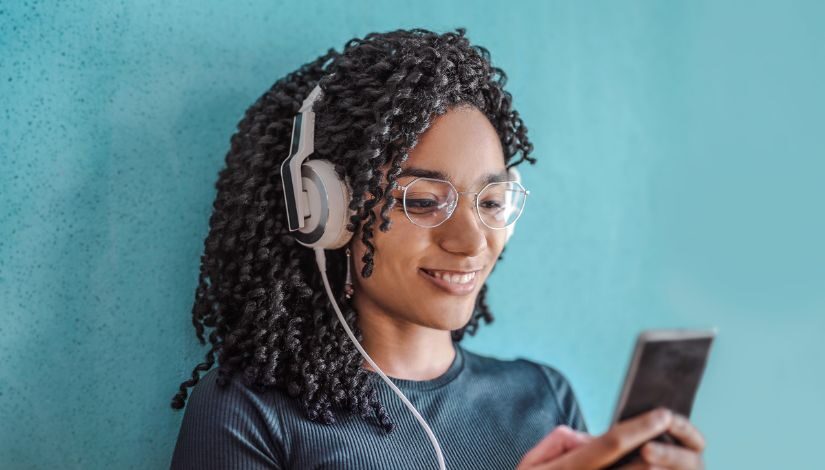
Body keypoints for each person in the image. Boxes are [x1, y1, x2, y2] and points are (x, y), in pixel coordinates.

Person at [169, 27, 706, 469]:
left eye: (492, 202)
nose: (471, 242)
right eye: (424, 201)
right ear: (326, 212)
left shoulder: (544, 397)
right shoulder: (249, 411)